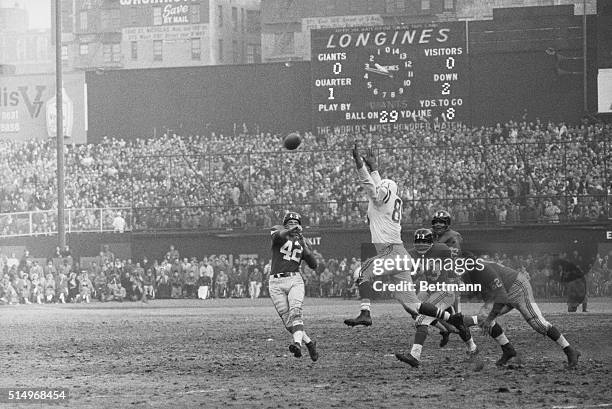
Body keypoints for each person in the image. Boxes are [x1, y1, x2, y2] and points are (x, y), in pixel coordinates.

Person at [343, 144, 467, 334]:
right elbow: (377, 184)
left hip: (391, 253)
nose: (379, 187)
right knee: (413, 306)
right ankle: (453, 322)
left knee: (361, 272)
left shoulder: (380, 198)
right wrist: (374, 168)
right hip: (399, 256)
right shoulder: (389, 199)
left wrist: (359, 164)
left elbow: (370, 185)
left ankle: (365, 312)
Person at [454, 257, 581, 368]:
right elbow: (489, 294)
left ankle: (569, 350)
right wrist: (486, 318)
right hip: (503, 291)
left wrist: (489, 319)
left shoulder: (484, 271)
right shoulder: (473, 272)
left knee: (538, 324)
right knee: (483, 316)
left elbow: (501, 296)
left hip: (517, 287)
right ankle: (508, 350)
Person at [395, 229, 477, 368]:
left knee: (424, 319)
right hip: (430, 290)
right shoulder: (413, 253)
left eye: (424, 242)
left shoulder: (442, 249)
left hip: (444, 290)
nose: (421, 245)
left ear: (432, 242)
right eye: (418, 242)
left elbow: (454, 268)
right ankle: (470, 345)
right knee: (416, 311)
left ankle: (415, 356)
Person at [269, 211, 319, 361]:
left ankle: (297, 344)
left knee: (295, 313)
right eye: (290, 223)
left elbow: (313, 264)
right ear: (285, 225)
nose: (293, 225)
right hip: (275, 282)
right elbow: (278, 236)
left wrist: (304, 243)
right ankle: (310, 343)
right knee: (288, 322)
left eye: (296, 223)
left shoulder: (303, 241)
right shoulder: (277, 230)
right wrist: (290, 231)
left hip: (294, 279)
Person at [431, 210, 465, 343]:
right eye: (436, 222)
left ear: (448, 224)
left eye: (442, 222)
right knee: (431, 309)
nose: (438, 225)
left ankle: (467, 340)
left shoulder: (453, 237)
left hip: (450, 276)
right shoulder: (431, 234)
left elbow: (453, 258)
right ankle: (447, 329)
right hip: (435, 278)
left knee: (456, 314)